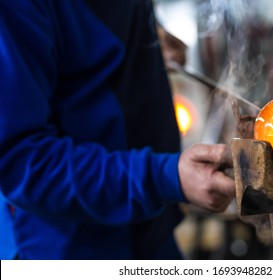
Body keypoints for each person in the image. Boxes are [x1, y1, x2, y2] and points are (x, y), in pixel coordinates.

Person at [0, 0, 235, 259]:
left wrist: (143, 37)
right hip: (68, 250)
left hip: (152, 235)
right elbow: (21, 163)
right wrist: (163, 177)